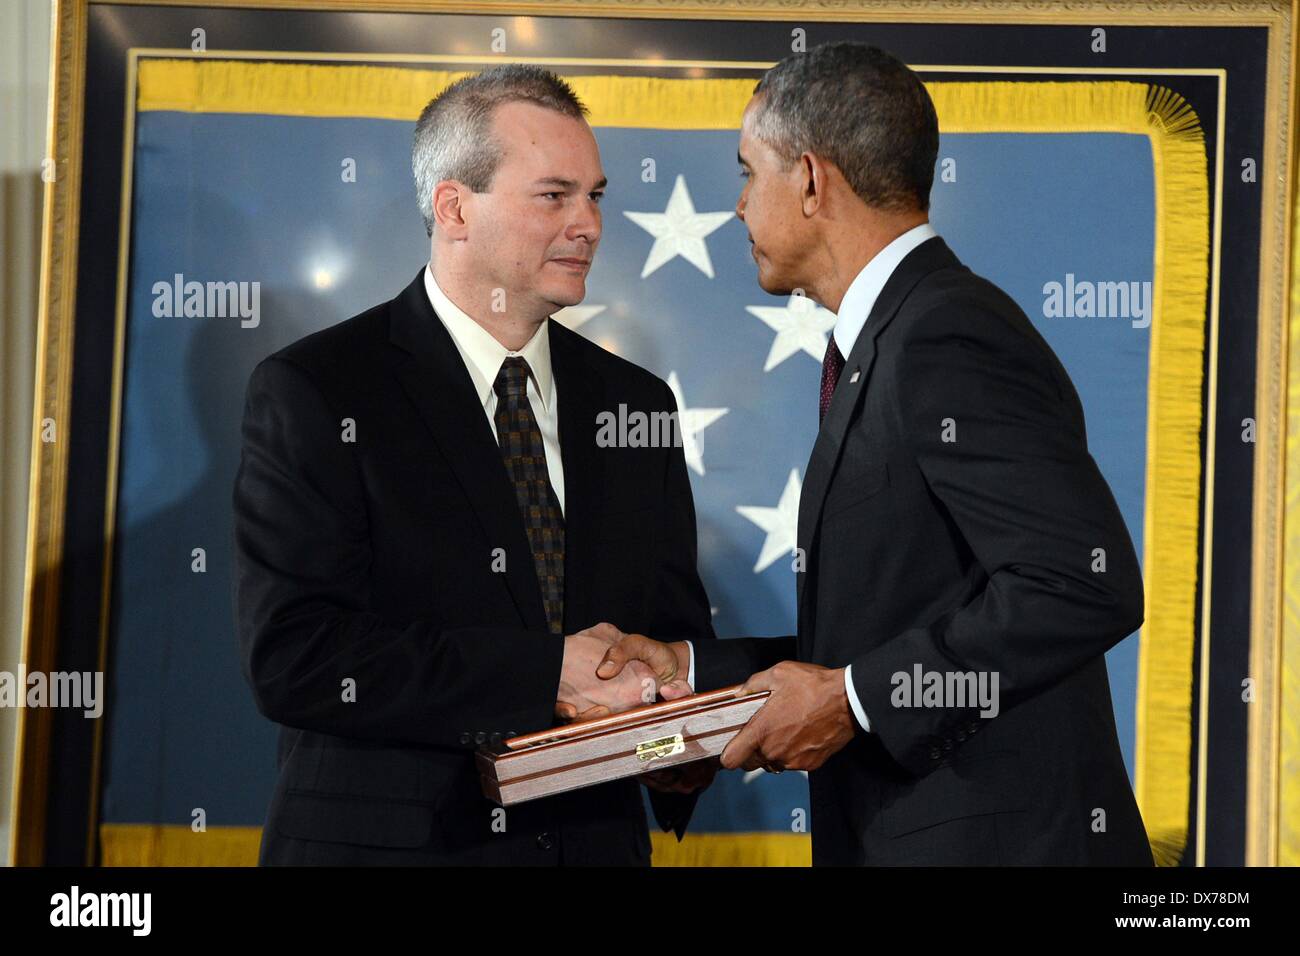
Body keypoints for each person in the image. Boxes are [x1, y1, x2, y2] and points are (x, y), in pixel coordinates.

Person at [597, 42, 1154, 866]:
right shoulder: (898, 337)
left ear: (813, 181)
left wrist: (854, 702)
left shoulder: (946, 334)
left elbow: (1083, 583)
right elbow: (876, 628)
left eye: (750, 173)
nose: (741, 207)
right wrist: (689, 667)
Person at [233, 64, 716, 865]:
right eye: (553, 196)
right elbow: (297, 658)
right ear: (454, 207)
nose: (588, 224)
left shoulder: (637, 404)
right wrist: (542, 677)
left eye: (595, 195)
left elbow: (669, 640)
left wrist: (672, 752)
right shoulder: (318, 388)